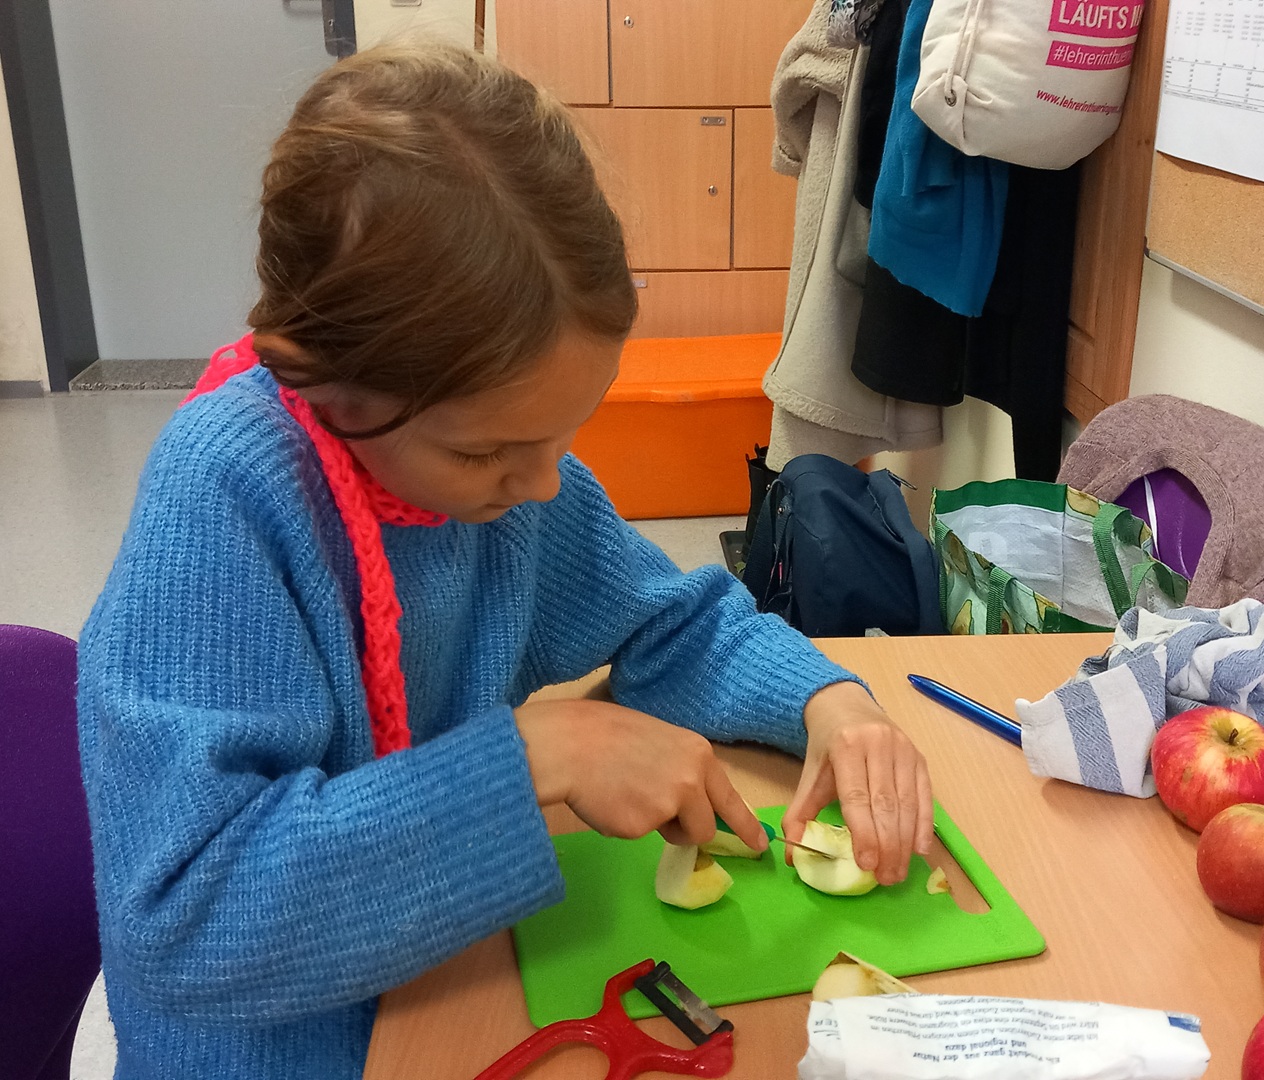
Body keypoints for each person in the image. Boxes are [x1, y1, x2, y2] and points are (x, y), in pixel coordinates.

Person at [77, 42, 933, 1079]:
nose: (540, 486)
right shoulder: (223, 502)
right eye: (488, 452)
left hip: (448, 986)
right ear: (324, 384)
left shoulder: (510, 484)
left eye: (565, 435)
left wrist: (828, 703)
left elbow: (672, 621)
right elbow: (187, 925)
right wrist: (534, 759)